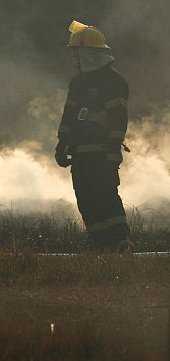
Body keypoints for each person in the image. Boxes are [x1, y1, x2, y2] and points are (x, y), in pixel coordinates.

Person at [55, 21, 132, 253]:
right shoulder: (78, 82)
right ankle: (98, 244)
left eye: (76, 52)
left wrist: (112, 146)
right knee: (86, 199)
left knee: (106, 195)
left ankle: (120, 243)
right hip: (80, 154)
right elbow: (69, 115)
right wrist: (62, 144)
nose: (73, 57)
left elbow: (118, 117)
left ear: (89, 53)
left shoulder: (113, 81)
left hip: (102, 152)